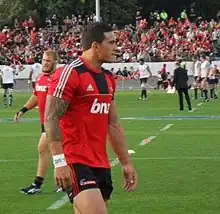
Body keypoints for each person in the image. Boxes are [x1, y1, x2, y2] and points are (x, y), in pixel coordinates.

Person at [44, 22, 138, 214]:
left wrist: (125, 161)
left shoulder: (107, 78)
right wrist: (59, 162)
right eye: (111, 42)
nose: (115, 47)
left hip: (100, 163)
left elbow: (113, 123)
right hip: (75, 161)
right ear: (95, 46)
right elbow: (51, 118)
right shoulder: (71, 73)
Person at [14, 49, 61, 195]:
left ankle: (38, 184)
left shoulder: (58, 78)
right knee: (54, 152)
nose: (45, 63)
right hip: (45, 123)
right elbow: (36, 96)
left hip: (56, 123)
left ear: (55, 62)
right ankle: (66, 183)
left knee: (44, 149)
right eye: (44, 60)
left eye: (48, 61)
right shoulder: (40, 78)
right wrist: (23, 109)